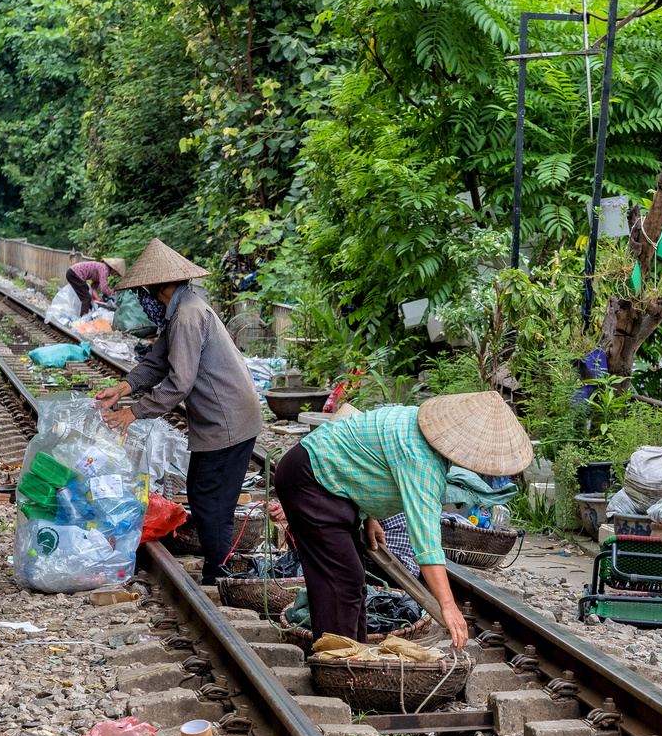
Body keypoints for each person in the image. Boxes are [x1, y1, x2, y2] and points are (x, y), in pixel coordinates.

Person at [273, 391, 532, 647]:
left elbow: (365, 461)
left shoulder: (416, 422)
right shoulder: (421, 459)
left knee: (352, 585)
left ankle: (354, 658)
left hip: (330, 486)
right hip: (311, 481)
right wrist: (448, 607)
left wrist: (369, 515)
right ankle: (336, 665)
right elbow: (426, 543)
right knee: (341, 583)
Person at [92, 239, 263, 584]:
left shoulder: (186, 316)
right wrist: (123, 388)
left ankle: (220, 574)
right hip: (222, 418)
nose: (143, 299)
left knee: (211, 500)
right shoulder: (182, 310)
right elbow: (156, 361)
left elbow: (179, 383)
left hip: (227, 420)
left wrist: (134, 412)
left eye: (145, 292)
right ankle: (221, 568)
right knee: (203, 493)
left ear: (159, 288)